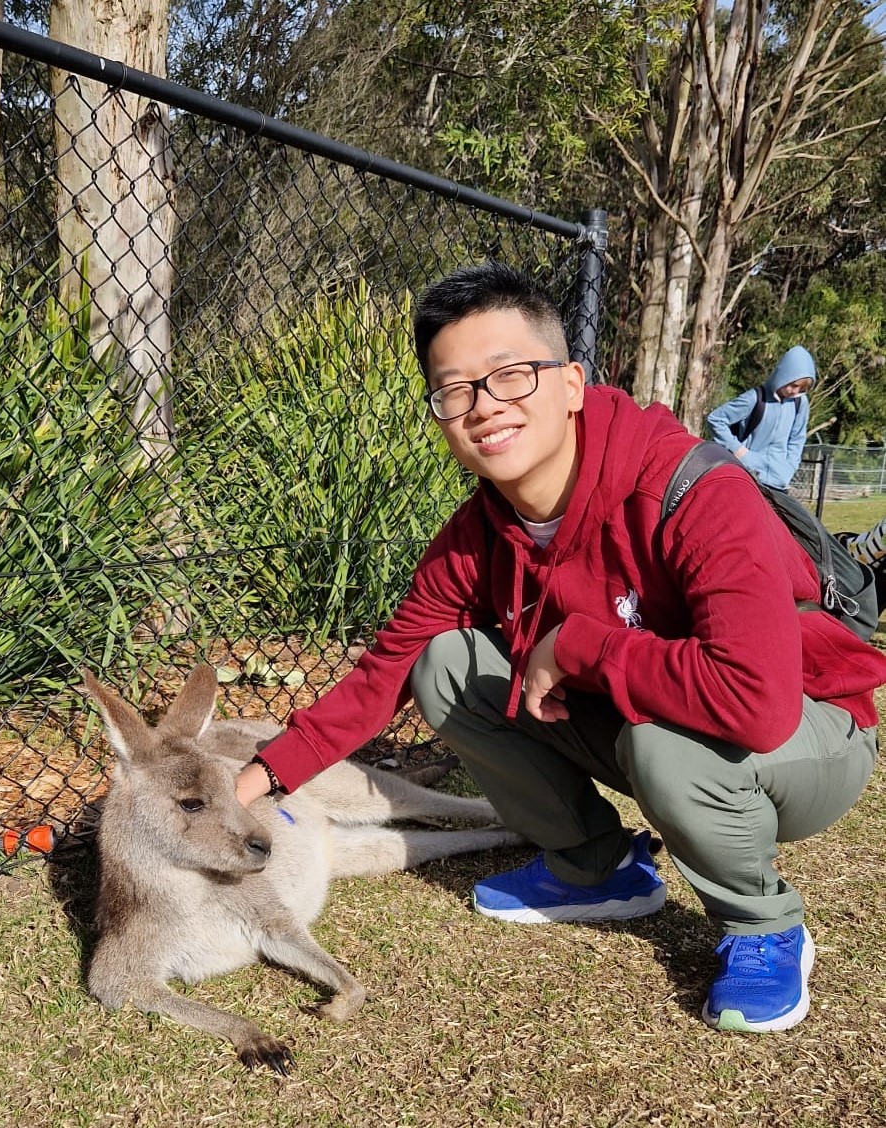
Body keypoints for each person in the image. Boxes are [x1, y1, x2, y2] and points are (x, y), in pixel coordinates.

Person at [236, 262, 886, 1034]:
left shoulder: (692, 490)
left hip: (807, 735)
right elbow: (380, 678)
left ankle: (764, 923)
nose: (484, 408)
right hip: (652, 722)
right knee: (445, 665)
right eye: (455, 390)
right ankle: (598, 868)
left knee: (664, 745)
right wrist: (249, 784)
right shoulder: (477, 535)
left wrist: (583, 645)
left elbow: (756, 701)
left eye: (509, 375)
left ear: (572, 383)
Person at [706, 346, 816, 490]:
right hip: (748, 476)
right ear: (784, 375)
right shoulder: (755, 398)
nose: (795, 392)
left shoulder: (800, 403)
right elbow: (716, 419)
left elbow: (797, 438)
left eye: (801, 389)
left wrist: (790, 467)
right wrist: (739, 451)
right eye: (793, 385)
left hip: (779, 482)